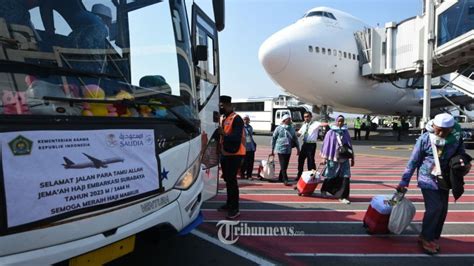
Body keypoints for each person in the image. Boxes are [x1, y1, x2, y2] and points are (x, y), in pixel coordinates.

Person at [397, 113, 466, 254]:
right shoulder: (424, 139)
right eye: (437, 129)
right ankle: (427, 238)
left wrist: (465, 163)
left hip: (445, 179)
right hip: (427, 178)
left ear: (451, 129)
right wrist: (404, 181)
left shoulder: (456, 138)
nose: (439, 133)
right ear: (433, 125)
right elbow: (413, 161)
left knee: (443, 210)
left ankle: (430, 236)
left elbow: (461, 154)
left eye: (444, 131)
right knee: (435, 208)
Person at [217, 95, 246, 219]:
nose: (220, 108)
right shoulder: (224, 118)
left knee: (232, 181)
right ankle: (229, 204)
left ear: (228, 105)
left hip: (235, 155)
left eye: (222, 106)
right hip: (225, 154)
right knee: (228, 181)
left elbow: (236, 137)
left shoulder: (237, 118)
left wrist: (223, 133)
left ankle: (235, 209)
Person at [319, 115, 354, 204]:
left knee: (346, 176)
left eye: (342, 121)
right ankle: (324, 189)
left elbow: (349, 145)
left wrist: (352, 158)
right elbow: (326, 146)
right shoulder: (330, 132)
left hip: (344, 158)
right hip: (333, 157)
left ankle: (343, 196)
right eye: (339, 121)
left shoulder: (346, 132)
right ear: (336, 121)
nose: (340, 123)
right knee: (330, 175)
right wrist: (324, 158)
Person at [270, 114, 300, 185]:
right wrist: (272, 149)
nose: (290, 120)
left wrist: (298, 148)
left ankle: (280, 177)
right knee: (283, 164)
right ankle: (285, 179)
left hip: (288, 149)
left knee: (285, 164)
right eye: (288, 119)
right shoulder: (278, 128)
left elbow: (295, 139)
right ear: (284, 120)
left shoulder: (292, 128)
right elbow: (273, 138)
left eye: (290, 119)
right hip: (280, 149)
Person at [296, 112, 321, 180]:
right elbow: (299, 133)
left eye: (307, 116)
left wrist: (333, 125)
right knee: (300, 159)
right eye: (305, 117)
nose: (306, 118)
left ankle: (312, 176)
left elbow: (324, 124)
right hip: (305, 144)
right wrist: (292, 133)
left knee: (310, 161)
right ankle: (299, 175)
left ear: (311, 117)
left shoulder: (315, 123)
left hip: (311, 145)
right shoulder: (304, 125)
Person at [240, 114, 257, 179]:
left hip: (251, 147)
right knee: (244, 162)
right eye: (244, 119)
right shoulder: (241, 127)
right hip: (244, 147)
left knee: (251, 162)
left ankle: (249, 175)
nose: (246, 120)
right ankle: (242, 174)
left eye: (247, 119)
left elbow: (251, 137)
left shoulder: (250, 127)